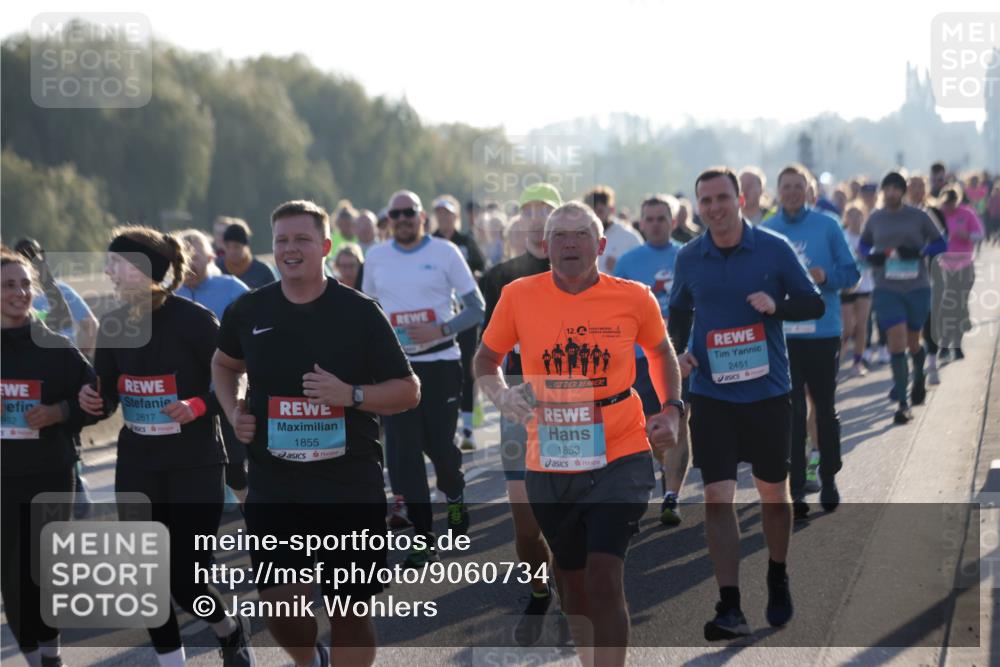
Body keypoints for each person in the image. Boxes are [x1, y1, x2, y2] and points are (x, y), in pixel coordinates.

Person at [212, 199, 420, 667]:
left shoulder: (360, 312)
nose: (290, 249)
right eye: (282, 240)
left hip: (348, 482)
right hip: (275, 482)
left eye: (302, 239)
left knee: (348, 610)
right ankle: (310, 661)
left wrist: (352, 395)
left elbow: (409, 391)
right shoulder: (248, 310)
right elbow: (224, 364)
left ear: (325, 246)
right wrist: (232, 411)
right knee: (279, 607)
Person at [474, 201, 681, 667]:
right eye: (560, 236)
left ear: (601, 245)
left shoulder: (633, 296)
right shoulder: (518, 295)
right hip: (550, 454)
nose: (570, 243)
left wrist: (670, 410)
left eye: (581, 234)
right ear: (545, 247)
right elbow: (486, 361)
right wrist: (502, 396)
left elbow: (661, 353)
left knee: (606, 575)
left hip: (621, 449)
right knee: (573, 584)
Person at [77, 226, 254, 667]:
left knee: (186, 578)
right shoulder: (115, 324)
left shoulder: (195, 321)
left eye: (115, 262)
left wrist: (197, 404)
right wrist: (92, 401)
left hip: (194, 462)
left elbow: (235, 381)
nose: (107, 271)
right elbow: (107, 398)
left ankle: (228, 631)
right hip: (138, 462)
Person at [669, 167, 825, 639]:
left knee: (772, 492)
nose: (714, 207)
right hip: (713, 395)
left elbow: (813, 303)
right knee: (717, 495)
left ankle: (777, 574)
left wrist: (777, 306)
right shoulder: (689, 257)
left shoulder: (774, 248)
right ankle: (730, 605)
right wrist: (681, 350)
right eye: (705, 200)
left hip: (767, 393)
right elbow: (678, 311)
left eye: (721, 197)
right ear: (698, 206)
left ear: (740, 199)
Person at [362, 190, 484, 567]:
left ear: (422, 217)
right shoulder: (376, 256)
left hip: (440, 363)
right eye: (395, 214)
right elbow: (369, 311)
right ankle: (423, 535)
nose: (402, 219)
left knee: (441, 448)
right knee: (403, 452)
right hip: (396, 371)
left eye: (409, 213)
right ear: (388, 221)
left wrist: (441, 329)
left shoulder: (445, 252)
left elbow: (476, 307)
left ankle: (455, 493)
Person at [478, 183, 566, 646]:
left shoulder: (578, 269)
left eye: (545, 214)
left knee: (571, 511)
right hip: (522, 401)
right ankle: (539, 588)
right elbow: (488, 351)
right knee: (525, 519)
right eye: (528, 213)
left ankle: (574, 595)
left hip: (575, 404)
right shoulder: (500, 277)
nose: (536, 222)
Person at [2, 247, 96, 667]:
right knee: (14, 578)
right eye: (8, 285)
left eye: (25, 284)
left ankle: (51, 657)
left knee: (45, 570)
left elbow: (98, 399)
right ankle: (34, 655)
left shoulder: (55, 346)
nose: (20, 292)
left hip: (51, 471)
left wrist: (59, 412)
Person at [763, 165, 859, 519]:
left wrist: (826, 276)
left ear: (809, 190)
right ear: (777, 191)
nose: (791, 192)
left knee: (824, 407)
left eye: (797, 186)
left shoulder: (828, 226)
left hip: (822, 331)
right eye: (785, 186)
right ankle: (797, 487)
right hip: (784, 336)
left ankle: (830, 476)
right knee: (793, 413)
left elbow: (852, 273)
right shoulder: (767, 231)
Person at [613, 194, 691, 526]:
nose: (656, 224)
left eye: (663, 218)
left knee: (678, 423)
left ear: (673, 222)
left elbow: (702, 305)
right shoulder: (628, 263)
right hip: (639, 359)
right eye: (651, 219)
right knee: (647, 428)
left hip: (682, 355)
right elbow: (614, 314)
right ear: (641, 223)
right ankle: (651, 476)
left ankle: (671, 496)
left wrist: (691, 350)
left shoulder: (689, 257)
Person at [859, 172, 948, 425]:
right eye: (887, 188)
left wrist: (920, 251)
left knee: (913, 342)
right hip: (886, 288)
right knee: (896, 342)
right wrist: (872, 255)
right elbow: (864, 245)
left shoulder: (919, 216)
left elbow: (942, 243)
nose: (891, 193)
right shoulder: (875, 218)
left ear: (903, 191)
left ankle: (918, 375)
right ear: (883, 191)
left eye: (896, 188)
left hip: (916, 287)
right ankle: (903, 403)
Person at [174, 229, 251, 505]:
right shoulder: (170, 295)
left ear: (211, 257)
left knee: (234, 470)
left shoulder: (231, 288)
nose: (190, 261)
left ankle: (253, 509)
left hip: (226, 392)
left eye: (196, 255)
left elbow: (256, 326)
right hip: (185, 396)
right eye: (184, 255)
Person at [432, 194, 487, 450]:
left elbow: (481, 268)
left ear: (455, 216)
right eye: (439, 214)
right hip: (440, 315)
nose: (444, 218)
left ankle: (467, 429)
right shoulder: (429, 242)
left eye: (448, 214)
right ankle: (448, 427)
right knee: (444, 372)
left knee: (466, 368)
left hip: (464, 314)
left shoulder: (466, 241)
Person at [15, 238, 98, 358]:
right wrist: (83, 359)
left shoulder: (13, 298)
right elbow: (91, 325)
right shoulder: (63, 291)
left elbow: (91, 325)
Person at [934, 185, 984, 359]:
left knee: (959, 306)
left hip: (964, 267)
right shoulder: (937, 215)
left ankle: (956, 345)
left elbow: (980, 234)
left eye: (953, 202)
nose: (949, 206)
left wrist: (967, 235)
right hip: (943, 268)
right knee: (946, 307)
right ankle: (944, 344)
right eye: (946, 203)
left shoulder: (967, 213)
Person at [840, 202, 874, 378]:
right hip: (847, 288)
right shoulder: (842, 237)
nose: (855, 219)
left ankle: (857, 362)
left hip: (865, 286)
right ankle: (836, 363)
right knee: (846, 330)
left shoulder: (869, 238)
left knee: (861, 326)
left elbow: (876, 260)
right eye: (851, 215)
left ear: (863, 217)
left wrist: (866, 257)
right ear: (846, 218)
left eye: (858, 215)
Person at [585, 185, 643, 273]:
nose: (595, 217)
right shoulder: (578, 236)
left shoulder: (629, 237)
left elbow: (643, 270)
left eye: (600, 211)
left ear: (611, 210)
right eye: (591, 212)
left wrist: (621, 267)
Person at [217, 220, 276, 289]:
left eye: (236, 246)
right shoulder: (217, 269)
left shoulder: (262, 271)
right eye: (227, 246)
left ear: (246, 247)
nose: (231, 251)